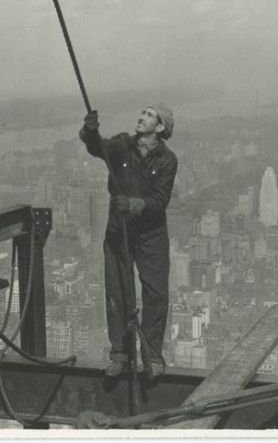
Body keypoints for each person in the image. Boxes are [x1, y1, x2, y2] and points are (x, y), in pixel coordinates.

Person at [79, 104, 178, 377]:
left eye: (148, 115)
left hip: (150, 233)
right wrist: (90, 130)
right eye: (142, 112)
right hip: (118, 230)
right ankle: (120, 354)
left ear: (159, 128)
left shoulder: (167, 160)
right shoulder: (123, 144)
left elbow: (159, 202)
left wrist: (133, 204)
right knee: (117, 291)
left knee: (155, 293)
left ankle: (152, 357)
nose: (141, 117)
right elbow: (98, 148)